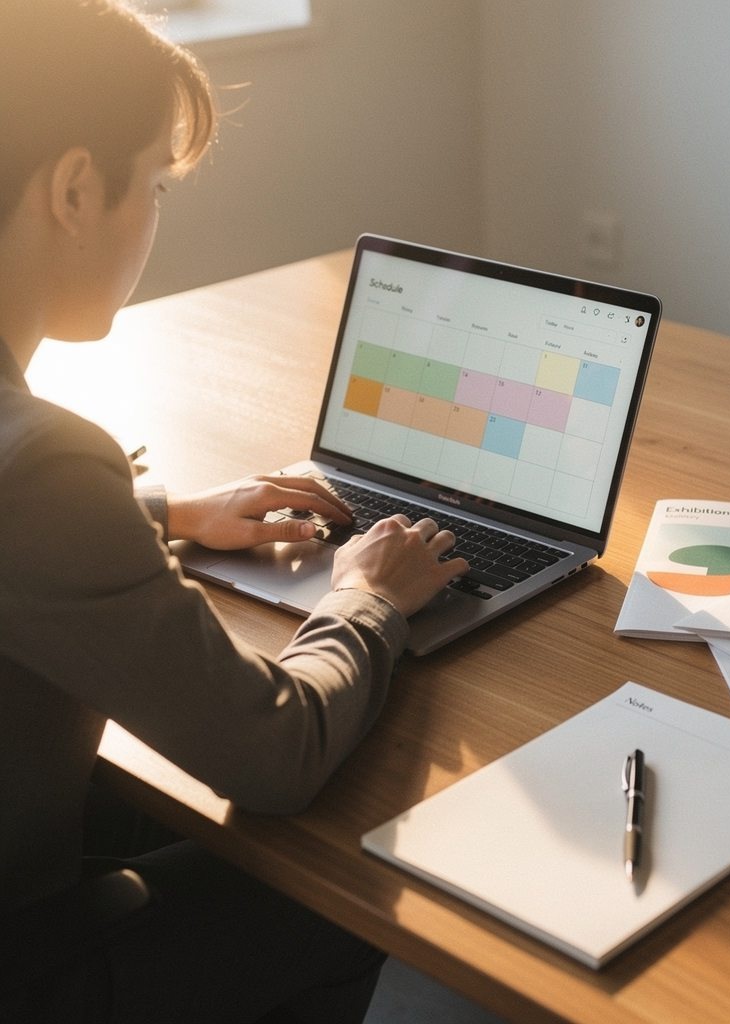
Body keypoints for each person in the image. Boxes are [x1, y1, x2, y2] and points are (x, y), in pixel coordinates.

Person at [0, 1, 469, 1021]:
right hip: (31, 969)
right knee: (339, 888)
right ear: (77, 189)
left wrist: (162, 512)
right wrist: (367, 599)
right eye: (158, 187)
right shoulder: (44, 469)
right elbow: (274, 752)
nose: (157, 218)